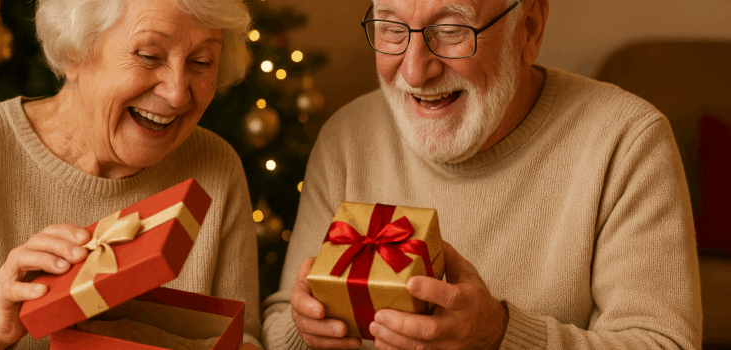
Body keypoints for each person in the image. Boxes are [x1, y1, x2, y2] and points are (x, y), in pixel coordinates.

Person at [261, 0, 702, 349]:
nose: (414, 71)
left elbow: (664, 343)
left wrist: (499, 337)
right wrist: (309, 330)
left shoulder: (626, 141)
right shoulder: (347, 137)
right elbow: (280, 327)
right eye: (392, 28)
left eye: (452, 30)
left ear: (528, 28)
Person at [0, 0, 263, 349]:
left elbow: (242, 339)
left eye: (201, 62)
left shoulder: (216, 166)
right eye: (149, 56)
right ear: (75, 55)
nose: (177, 92)